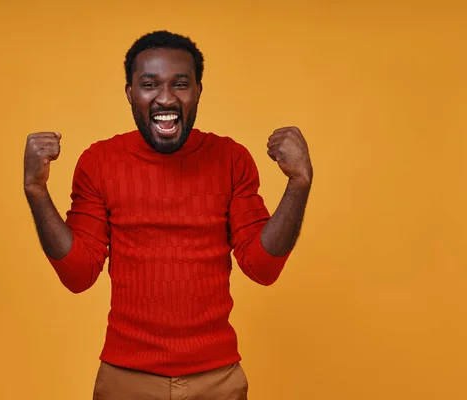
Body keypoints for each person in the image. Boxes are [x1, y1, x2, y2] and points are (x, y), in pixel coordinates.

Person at [23, 30, 313, 400]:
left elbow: (262, 267)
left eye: (180, 84)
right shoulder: (99, 162)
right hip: (126, 377)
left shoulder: (231, 160)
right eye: (149, 84)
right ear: (130, 93)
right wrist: (36, 190)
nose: (165, 97)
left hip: (217, 379)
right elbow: (78, 274)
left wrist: (298, 184)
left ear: (198, 91)